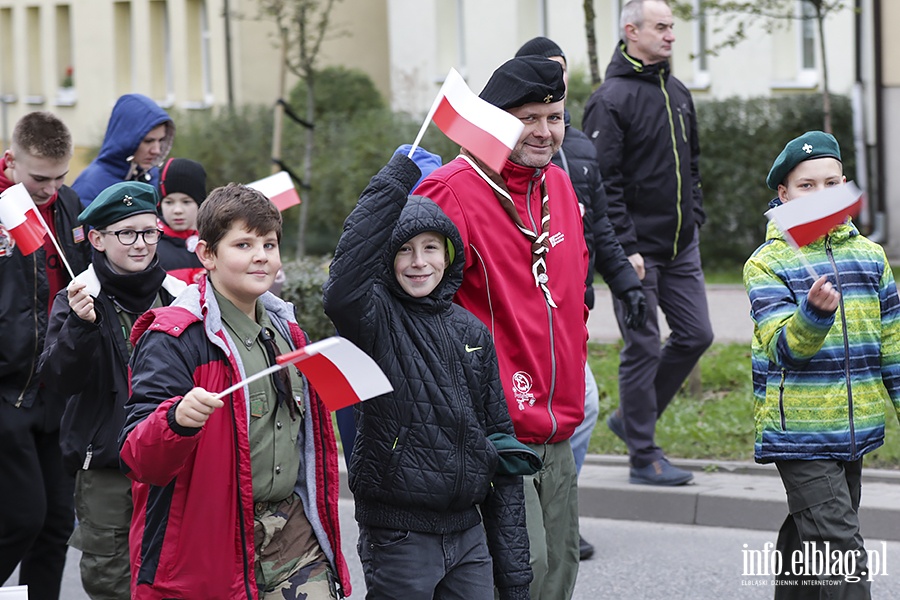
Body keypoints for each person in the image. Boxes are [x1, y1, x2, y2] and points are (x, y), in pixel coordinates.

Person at [118, 183, 350, 599]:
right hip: (211, 542)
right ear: (207, 254)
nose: (261, 255)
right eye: (243, 244)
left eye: (269, 243)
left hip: (291, 537)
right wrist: (175, 421)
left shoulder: (290, 334)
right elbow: (139, 458)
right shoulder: (174, 339)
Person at [324, 148, 536, 600]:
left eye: (430, 247)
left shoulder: (471, 330)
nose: (419, 262)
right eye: (404, 249)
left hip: (468, 533)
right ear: (387, 258)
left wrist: (515, 578)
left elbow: (500, 446)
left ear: (450, 254)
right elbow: (343, 283)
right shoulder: (375, 317)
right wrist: (396, 178)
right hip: (400, 537)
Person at [415, 55, 588, 600]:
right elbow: (416, 310)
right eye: (528, 117)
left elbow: (572, 294)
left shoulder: (558, 185)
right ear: (494, 119)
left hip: (559, 428)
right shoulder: (451, 190)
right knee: (524, 577)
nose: (544, 132)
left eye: (554, 117)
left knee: (559, 576)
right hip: (497, 433)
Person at [744, 131, 900, 597]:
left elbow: (893, 347)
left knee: (812, 545)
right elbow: (784, 349)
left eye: (832, 183)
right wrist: (813, 314)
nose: (820, 194)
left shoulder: (871, 258)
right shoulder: (768, 263)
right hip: (802, 432)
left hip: (854, 429)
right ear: (784, 194)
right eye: (806, 186)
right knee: (843, 552)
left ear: (845, 187)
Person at [515, 36, 647, 561]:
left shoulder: (583, 150)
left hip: (572, 313)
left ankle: (559, 503)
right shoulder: (511, 149)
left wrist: (627, 283)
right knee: (551, 414)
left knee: (582, 409)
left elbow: (602, 231)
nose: (555, 83)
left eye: (561, 75)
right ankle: (536, 509)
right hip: (526, 315)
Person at [582, 0, 713, 486]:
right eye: (661, 27)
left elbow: (693, 164)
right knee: (642, 344)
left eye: (672, 27)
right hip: (635, 253)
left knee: (697, 334)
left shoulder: (678, 92)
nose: (671, 35)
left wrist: (694, 218)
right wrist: (624, 248)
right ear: (631, 31)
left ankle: (630, 419)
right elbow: (602, 183)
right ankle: (643, 454)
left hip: (681, 247)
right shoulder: (610, 98)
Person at [39, 181, 185, 599]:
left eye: (148, 231)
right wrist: (80, 328)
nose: (140, 244)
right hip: (105, 464)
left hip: (165, 457)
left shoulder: (177, 296)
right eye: (126, 233)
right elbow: (58, 379)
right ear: (98, 239)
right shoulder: (80, 296)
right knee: (111, 578)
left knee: (167, 569)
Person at [0, 112, 92, 599]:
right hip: (6, 393)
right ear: (11, 161)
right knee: (21, 519)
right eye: (39, 178)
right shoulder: (2, 209)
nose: (50, 189)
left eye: (61, 177)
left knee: (57, 524)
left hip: (55, 391)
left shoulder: (69, 204)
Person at [73, 93, 175, 208]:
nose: (156, 150)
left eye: (161, 140)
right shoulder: (89, 186)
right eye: (148, 141)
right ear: (126, 139)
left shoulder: (155, 177)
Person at [156, 157, 207, 284]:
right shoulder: (151, 246)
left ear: (200, 204)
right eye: (169, 202)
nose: (177, 210)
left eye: (186, 202)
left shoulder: (214, 242)